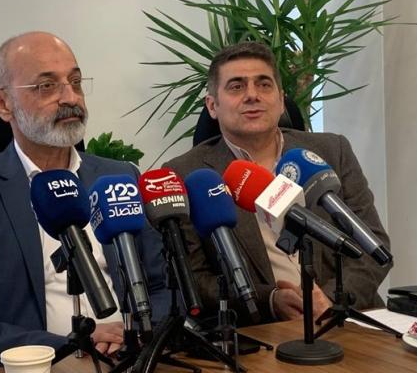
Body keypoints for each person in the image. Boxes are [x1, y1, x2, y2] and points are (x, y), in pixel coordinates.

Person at [0, 31, 169, 373]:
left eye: (75, 82)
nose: (70, 98)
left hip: (127, 361)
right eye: (47, 86)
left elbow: (163, 286)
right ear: (3, 103)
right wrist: (71, 344)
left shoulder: (119, 177)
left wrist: (133, 332)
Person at [164, 42, 392, 325]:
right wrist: (270, 300)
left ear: (281, 100)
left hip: (350, 316)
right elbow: (194, 278)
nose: (252, 95)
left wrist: (331, 300)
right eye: (236, 86)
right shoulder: (186, 174)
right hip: (263, 328)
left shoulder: (332, 151)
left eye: (264, 85)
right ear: (212, 106)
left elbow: (373, 246)